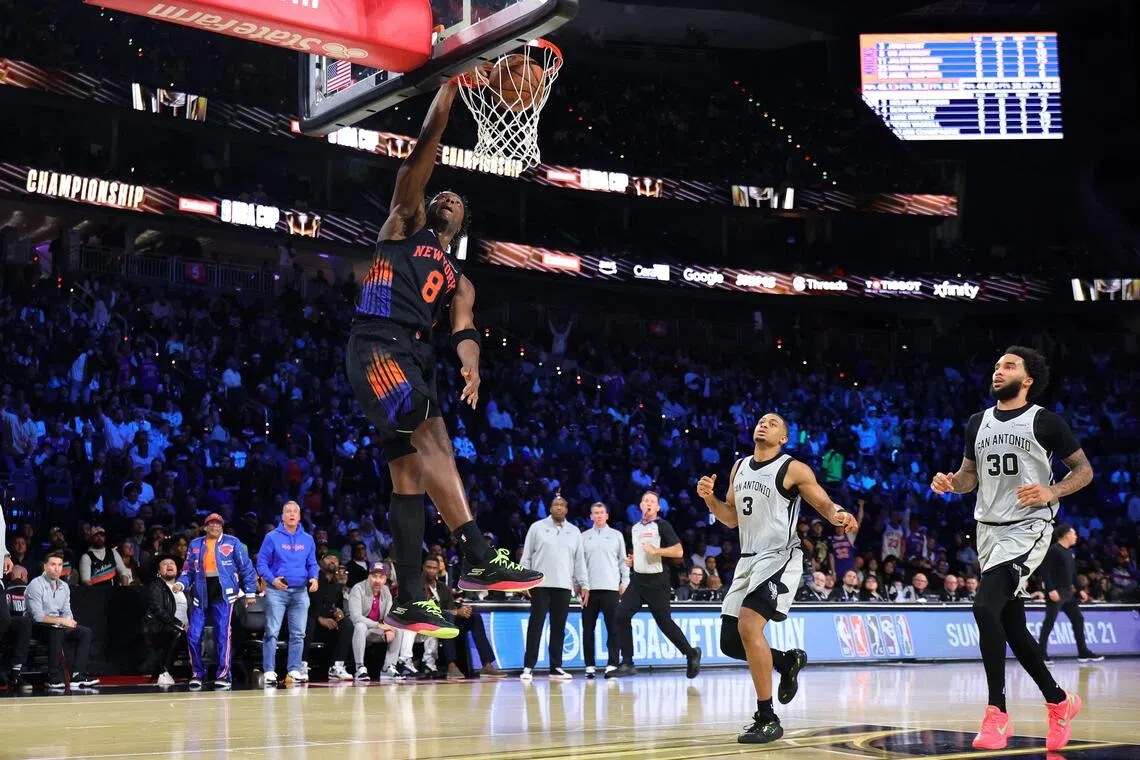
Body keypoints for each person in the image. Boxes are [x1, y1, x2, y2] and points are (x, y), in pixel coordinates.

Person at [345, 76, 541, 639]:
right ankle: (477, 554)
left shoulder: (460, 277)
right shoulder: (403, 222)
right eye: (442, 196)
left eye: (456, 202)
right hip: (378, 341)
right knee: (434, 439)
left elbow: (464, 328)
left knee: (407, 471)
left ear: (463, 225)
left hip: (412, 354)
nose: (446, 199)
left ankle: (410, 597)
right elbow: (422, 151)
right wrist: (450, 91)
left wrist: (472, 364)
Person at [931, 347, 1093, 752]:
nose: (998, 370)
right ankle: (1058, 701)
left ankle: (996, 714)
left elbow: (1084, 470)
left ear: (1028, 380)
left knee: (985, 607)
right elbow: (970, 478)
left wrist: (1051, 490)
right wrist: (951, 483)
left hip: (1028, 526)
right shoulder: (977, 422)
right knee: (1013, 626)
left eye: (1008, 366)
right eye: (997, 364)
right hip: (987, 529)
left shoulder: (1045, 421)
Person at [698, 413, 858, 744]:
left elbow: (823, 502)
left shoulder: (793, 468)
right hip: (747, 559)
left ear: (783, 438)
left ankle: (767, 717)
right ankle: (787, 661)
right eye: (760, 421)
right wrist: (709, 499)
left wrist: (837, 515)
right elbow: (730, 519)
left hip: (780, 556)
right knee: (729, 643)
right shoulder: (739, 467)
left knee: (748, 626)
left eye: (772, 424)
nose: (763, 425)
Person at [613, 491, 702, 679]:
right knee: (621, 615)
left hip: (657, 581)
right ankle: (627, 662)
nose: (648, 504)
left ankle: (691, 653)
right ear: (640, 505)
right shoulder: (635, 528)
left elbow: (678, 551)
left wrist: (657, 550)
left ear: (658, 507)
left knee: (665, 624)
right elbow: (641, 554)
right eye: (645, 501)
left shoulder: (663, 526)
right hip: (638, 580)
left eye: (652, 501)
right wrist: (633, 561)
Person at [173, 513, 256, 689]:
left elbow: (246, 568)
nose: (214, 527)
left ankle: (224, 675)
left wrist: (250, 592)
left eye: (218, 524)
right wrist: (181, 583)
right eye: (211, 524)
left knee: (223, 634)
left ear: (222, 526)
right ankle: (197, 673)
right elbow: (188, 570)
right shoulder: (196, 544)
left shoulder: (233, 542)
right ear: (205, 527)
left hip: (224, 592)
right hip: (201, 592)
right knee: (194, 634)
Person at [519, 494, 589, 681]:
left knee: (558, 628)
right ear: (550, 508)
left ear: (566, 509)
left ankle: (556, 667)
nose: (558, 507)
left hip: (564, 586)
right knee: (536, 625)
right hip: (540, 585)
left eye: (562, 505)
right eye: (555, 505)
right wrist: (523, 580)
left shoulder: (574, 531)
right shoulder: (537, 528)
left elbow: (579, 561)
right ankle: (528, 667)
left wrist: (584, 584)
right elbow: (526, 556)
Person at [257, 501, 319, 687]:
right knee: (272, 632)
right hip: (277, 591)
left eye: (295, 512)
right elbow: (261, 564)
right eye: (288, 512)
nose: (291, 514)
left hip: (300, 591)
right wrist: (272, 580)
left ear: (299, 516)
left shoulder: (308, 538)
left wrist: (314, 577)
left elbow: (312, 563)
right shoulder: (272, 537)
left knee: (299, 633)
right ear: (282, 516)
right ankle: (269, 670)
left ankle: (293, 669)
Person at [25, 552, 98, 689]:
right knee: (56, 630)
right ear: (45, 566)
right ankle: (53, 677)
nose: (57, 568)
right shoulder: (36, 585)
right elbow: (38, 616)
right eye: (53, 565)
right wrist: (63, 622)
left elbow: (66, 610)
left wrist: (70, 621)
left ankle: (77, 675)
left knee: (85, 632)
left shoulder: (64, 586)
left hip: (58, 625)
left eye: (59, 565)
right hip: (37, 627)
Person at [1038, 524, 1102, 664]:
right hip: (1056, 592)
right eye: (1074, 534)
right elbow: (1044, 570)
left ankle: (1083, 652)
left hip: (1068, 594)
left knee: (1078, 619)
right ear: (1066, 535)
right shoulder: (1054, 550)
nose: (1076, 537)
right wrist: (1050, 589)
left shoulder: (1069, 552)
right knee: (1049, 622)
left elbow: (1073, 574)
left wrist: (1080, 590)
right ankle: (1040, 654)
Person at [580, 501, 627, 679]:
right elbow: (579, 564)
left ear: (607, 515)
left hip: (611, 589)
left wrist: (625, 581)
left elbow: (623, 561)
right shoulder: (583, 537)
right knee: (587, 630)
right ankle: (590, 665)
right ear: (591, 516)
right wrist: (579, 585)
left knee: (613, 629)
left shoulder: (616, 536)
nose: (598, 515)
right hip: (589, 590)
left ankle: (612, 664)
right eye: (595, 513)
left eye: (601, 512)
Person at [346, 561, 398, 681]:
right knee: (360, 626)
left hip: (375, 631)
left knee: (398, 629)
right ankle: (360, 668)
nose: (377, 580)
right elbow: (356, 617)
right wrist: (380, 626)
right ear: (368, 576)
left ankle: (388, 668)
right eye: (374, 576)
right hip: (357, 631)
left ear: (385, 579)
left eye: (381, 577)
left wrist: (390, 628)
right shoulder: (358, 589)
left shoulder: (386, 591)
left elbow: (389, 617)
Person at [307, 552, 355, 682]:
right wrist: (319, 618)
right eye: (329, 558)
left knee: (347, 624)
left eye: (336, 559)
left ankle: (336, 666)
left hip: (328, 626)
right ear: (320, 563)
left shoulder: (337, 586)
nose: (333, 561)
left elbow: (336, 607)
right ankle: (301, 665)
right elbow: (303, 606)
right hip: (311, 624)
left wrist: (338, 613)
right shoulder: (312, 580)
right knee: (308, 622)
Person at [144, 556, 189, 686]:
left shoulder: (184, 587)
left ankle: (199, 673)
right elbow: (158, 610)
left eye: (172, 563)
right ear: (159, 571)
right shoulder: (156, 585)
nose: (169, 565)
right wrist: (180, 624)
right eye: (165, 564)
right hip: (160, 626)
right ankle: (164, 672)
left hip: (185, 626)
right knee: (178, 633)